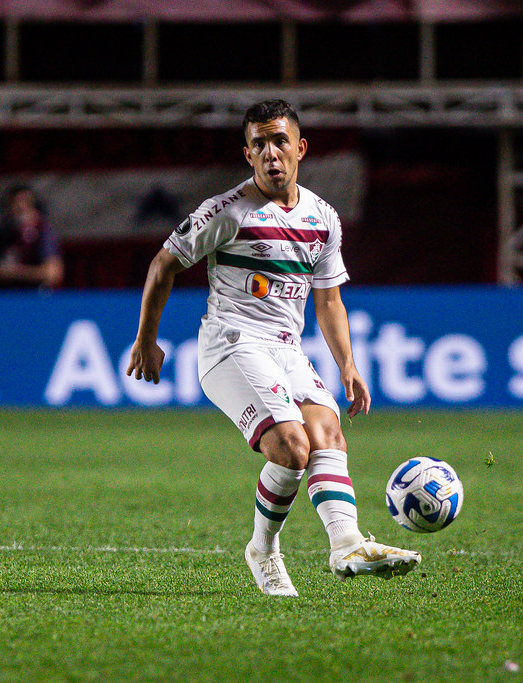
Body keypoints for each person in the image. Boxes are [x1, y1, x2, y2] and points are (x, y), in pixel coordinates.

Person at [126, 99, 420, 597]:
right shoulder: (225, 212)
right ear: (248, 154)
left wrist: (348, 364)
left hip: (286, 348)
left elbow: (328, 300)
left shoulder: (323, 218)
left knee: (327, 433)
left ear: (300, 148)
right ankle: (263, 549)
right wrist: (147, 339)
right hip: (230, 344)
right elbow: (163, 266)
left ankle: (346, 543)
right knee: (290, 446)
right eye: (259, 144)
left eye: (279, 141)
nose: (271, 153)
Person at [0, 184, 64, 290]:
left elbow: (52, 274)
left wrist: (14, 272)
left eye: (25, 203)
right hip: (2, 296)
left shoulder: (42, 231)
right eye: (15, 204)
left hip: (33, 296)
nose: (20, 208)